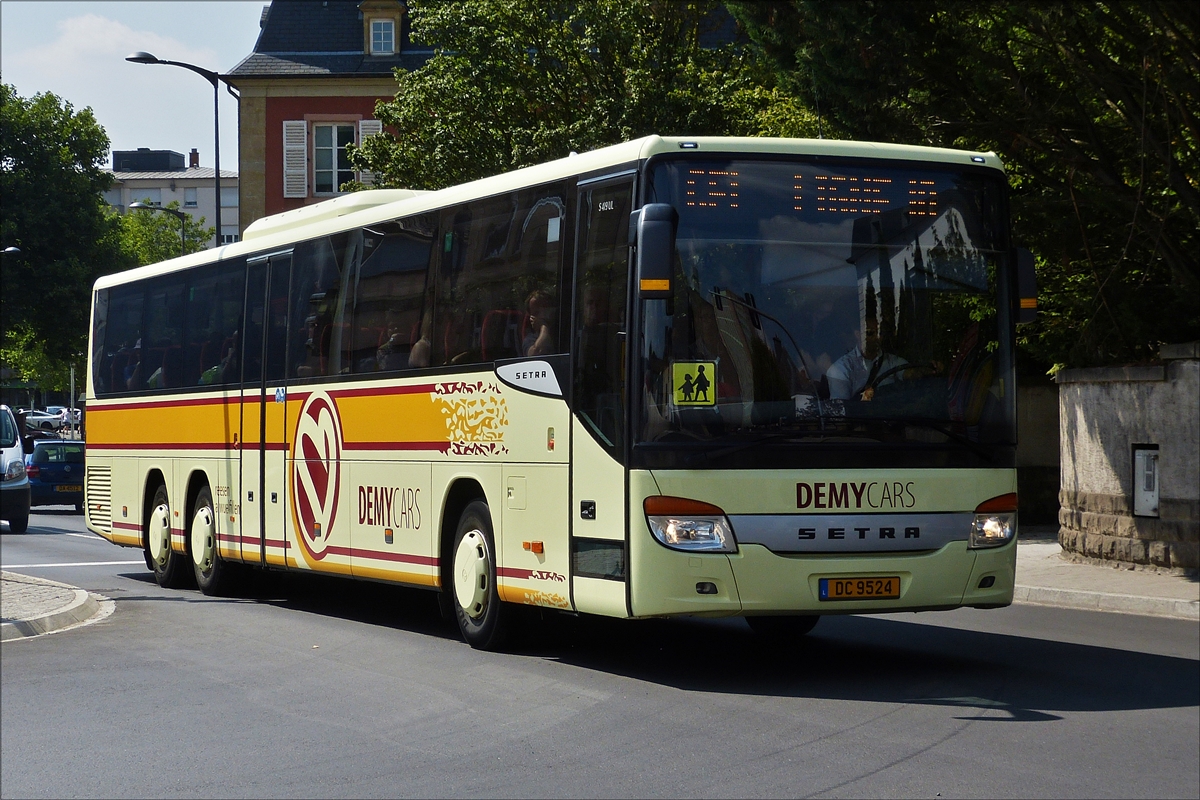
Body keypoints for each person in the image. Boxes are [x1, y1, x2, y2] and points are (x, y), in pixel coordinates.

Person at [826, 318, 908, 401]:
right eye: (870, 333)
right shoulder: (841, 369)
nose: (877, 337)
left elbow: (910, 374)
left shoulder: (892, 361)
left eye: (880, 333)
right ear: (858, 334)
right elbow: (842, 408)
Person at [521, 289, 557, 357]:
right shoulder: (530, 339)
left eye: (545, 309)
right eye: (536, 313)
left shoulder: (565, 332)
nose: (543, 315)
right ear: (532, 318)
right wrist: (544, 326)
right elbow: (536, 354)